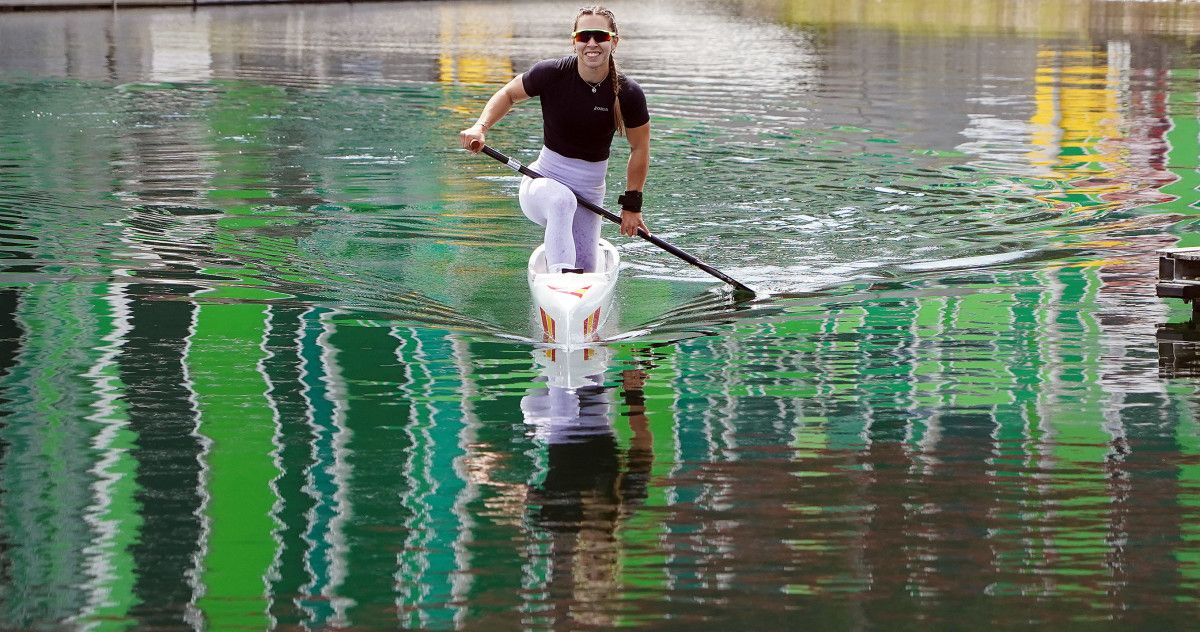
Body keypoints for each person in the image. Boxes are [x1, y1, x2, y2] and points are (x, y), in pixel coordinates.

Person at [458, 5, 650, 273]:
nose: (592, 43)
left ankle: (571, 282)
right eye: (584, 36)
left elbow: (639, 148)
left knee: (586, 267)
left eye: (600, 36)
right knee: (562, 201)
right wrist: (480, 127)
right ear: (574, 42)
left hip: (590, 191)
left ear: (614, 42)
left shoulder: (628, 93)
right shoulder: (552, 73)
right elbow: (508, 94)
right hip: (542, 183)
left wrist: (632, 206)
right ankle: (560, 280)